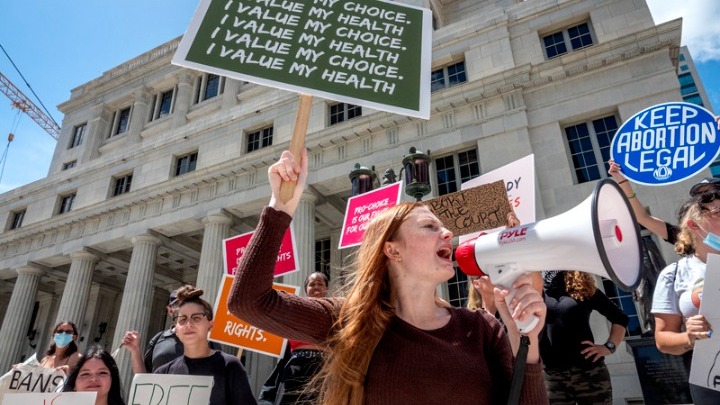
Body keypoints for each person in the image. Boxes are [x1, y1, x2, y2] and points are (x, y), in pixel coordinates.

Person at [228, 149, 549, 405]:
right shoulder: (350, 321)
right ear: (392, 250)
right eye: (429, 227)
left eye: (443, 227)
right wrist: (281, 207)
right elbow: (248, 302)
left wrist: (527, 342)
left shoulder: (483, 328)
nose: (449, 233)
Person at [125, 285, 257, 405]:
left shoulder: (230, 366)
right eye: (182, 319)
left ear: (210, 325)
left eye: (196, 318)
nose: (189, 324)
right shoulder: (164, 372)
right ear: (176, 329)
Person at [651, 194, 720, 403]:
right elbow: (663, 339)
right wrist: (690, 336)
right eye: (718, 213)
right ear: (694, 225)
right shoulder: (674, 274)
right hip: (711, 381)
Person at [540, 271, 628, 404]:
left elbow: (620, 318)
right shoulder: (535, 290)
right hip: (552, 376)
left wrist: (609, 347)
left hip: (589, 373)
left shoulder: (581, 285)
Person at [608, 159, 720, 245]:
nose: (705, 198)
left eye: (712, 193)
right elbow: (642, 218)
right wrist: (621, 179)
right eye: (700, 196)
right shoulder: (689, 239)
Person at [258, 272, 329, 405]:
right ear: (306, 289)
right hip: (296, 367)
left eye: (320, 284)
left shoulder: (335, 311)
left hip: (324, 368)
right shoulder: (297, 310)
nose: (316, 287)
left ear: (327, 288)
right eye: (312, 284)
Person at [122, 287, 215, 373]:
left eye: (196, 317)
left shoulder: (208, 341)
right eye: (177, 304)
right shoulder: (158, 339)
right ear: (170, 310)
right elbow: (144, 378)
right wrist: (135, 350)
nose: (183, 307)